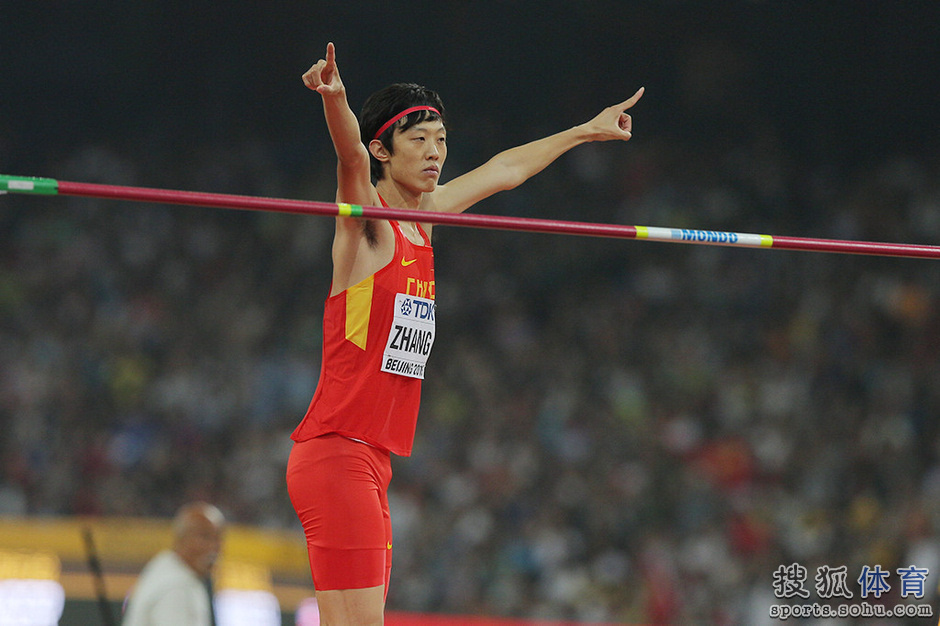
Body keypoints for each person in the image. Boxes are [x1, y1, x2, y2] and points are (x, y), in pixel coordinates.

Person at [286, 42, 643, 625]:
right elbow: (349, 158)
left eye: (441, 141)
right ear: (383, 148)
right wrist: (337, 98)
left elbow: (504, 171)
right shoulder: (369, 228)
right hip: (338, 452)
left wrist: (584, 132)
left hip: (369, 460)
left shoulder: (426, 220)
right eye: (418, 140)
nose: (435, 154)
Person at [122, 502, 225, 626]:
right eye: (204, 537)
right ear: (181, 538)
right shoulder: (176, 586)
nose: (213, 547)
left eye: (217, 538)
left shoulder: (167, 566)